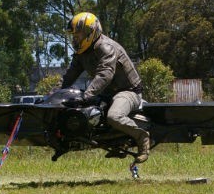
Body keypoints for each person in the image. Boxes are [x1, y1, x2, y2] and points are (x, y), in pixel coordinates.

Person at [61, 12, 150, 163]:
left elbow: (104, 75)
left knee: (113, 116)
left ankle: (142, 138)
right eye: (74, 36)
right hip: (106, 93)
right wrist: (52, 96)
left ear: (91, 32)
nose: (75, 40)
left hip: (128, 91)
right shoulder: (81, 53)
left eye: (79, 35)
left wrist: (86, 96)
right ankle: (115, 142)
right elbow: (68, 77)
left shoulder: (106, 48)